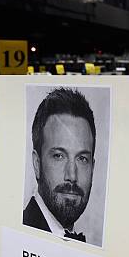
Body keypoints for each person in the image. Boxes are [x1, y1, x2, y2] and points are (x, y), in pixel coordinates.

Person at [23, 88, 96, 242]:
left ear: (93, 168)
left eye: (82, 159)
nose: (72, 176)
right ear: (37, 164)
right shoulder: (21, 235)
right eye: (59, 156)